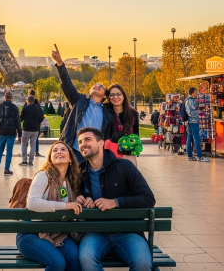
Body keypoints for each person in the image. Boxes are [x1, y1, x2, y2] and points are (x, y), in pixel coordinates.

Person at [74, 127, 156, 271]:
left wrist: (115, 202)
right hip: (95, 232)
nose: (82, 145)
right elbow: (74, 198)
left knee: (142, 263)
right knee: (87, 259)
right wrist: (80, 199)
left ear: (101, 143)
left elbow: (148, 198)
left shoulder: (124, 166)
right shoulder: (80, 172)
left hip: (127, 231)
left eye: (87, 140)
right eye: (80, 142)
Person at [17, 140, 82, 271]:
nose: (59, 151)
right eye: (55, 150)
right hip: (31, 234)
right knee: (57, 262)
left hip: (58, 234)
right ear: (51, 159)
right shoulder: (43, 176)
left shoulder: (72, 181)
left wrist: (79, 200)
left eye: (63, 149)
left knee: (75, 258)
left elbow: (72, 204)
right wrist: (65, 206)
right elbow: (32, 203)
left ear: (70, 158)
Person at [51, 45, 112, 162]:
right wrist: (59, 63)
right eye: (95, 85)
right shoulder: (79, 100)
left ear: (105, 96)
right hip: (76, 150)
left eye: (101, 86)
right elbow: (67, 84)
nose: (97, 86)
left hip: (95, 152)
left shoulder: (107, 112)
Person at [104, 85, 141, 165]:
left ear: (123, 96)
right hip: (110, 155)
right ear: (109, 97)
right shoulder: (105, 111)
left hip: (127, 154)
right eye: (112, 95)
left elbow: (136, 135)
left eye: (118, 94)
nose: (115, 97)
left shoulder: (133, 114)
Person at [0, 90, 21, 175]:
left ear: (4, 97)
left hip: (1, 131)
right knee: (9, 150)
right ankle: (6, 169)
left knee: (0, 149)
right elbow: (18, 122)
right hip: (11, 132)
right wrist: (20, 134)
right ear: (12, 98)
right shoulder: (15, 108)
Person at [184, 87, 209, 162]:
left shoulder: (186, 100)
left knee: (189, 138)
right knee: (197, 138)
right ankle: (200, 156)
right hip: (194, 121)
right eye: (195, 92)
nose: (196, 93)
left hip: (189, 121)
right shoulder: (191, 101)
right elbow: (192, 112)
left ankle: (190, 156)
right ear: (193, 92)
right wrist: (200, 112)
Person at [20, 95, 44, 166]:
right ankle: (31, 161)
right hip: (35, 129)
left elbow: (21, 118)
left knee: (24, 144)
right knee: (33, 145)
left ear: (28, 101)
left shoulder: (25, 108)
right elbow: (41, 118)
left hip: (26, 128)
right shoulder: (38, 109)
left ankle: (24, 160)